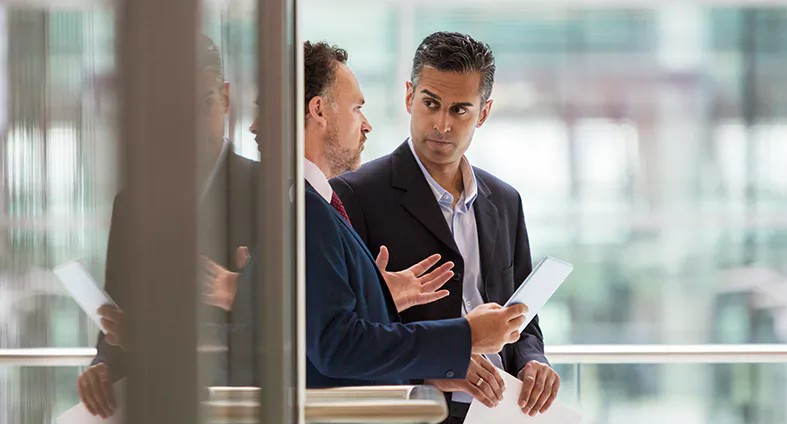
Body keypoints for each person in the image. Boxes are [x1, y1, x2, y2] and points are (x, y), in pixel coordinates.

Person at [249, 41, 529, 388]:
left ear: (482, 113)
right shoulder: (311, 207)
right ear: (318, 110)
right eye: (357, 109)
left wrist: (380, 297)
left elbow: (325, 328)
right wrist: (464, 338)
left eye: (459, 110)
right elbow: (337, 346)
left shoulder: (309, 203)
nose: (366, 125)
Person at [330, 32, 560, 422]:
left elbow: (524, 317)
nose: (441, 124)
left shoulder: (505, 201)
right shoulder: (353, 194)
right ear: (409, 97)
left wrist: (532, 362)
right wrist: (443, 363)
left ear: (483, 113)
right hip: (414, 411)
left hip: (504, 412)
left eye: (460, 110)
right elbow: (350, 337)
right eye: (430, 104)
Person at [76, 34, 257, 418]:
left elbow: (281, 334)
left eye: (203, 103)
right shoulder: (132, 203)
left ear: (225, 98)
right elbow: (116, 319)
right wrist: (101, 367)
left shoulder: (268, 193)